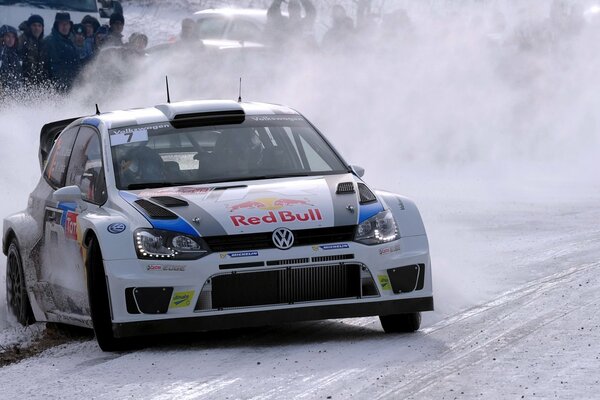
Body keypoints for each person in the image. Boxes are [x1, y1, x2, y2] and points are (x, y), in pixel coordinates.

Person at [43, 12, 80, 92]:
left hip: (72, 85)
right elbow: (52, 67)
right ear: (57, 25)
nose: (65, 27)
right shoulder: (50, 42)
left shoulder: (71, 41)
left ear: (70, 25)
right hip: (57, 87)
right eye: (62, 24)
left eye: (67, 24)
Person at [18, 14, 47, 87]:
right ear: (29, 27)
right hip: (23, 84)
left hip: (38, 85)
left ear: (42, 28)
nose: (37, 28)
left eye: (39, 25)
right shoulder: (22, 40)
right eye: (34, 25)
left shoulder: (43, 43)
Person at [0, 25, 23, 94]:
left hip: (14, 92)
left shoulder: (16, 54)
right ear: (2, 37)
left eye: (13, 36)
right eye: (8, 36)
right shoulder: (1, 52)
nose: (11, 39)